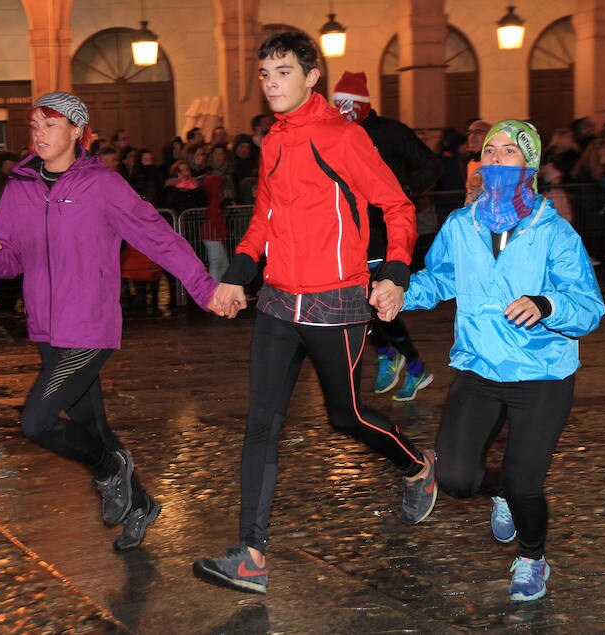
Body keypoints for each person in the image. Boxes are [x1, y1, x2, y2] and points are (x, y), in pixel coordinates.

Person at [192, 31, 436, 595]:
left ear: (311, 77)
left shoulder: (343, 137)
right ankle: (251, 554)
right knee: (261, 425)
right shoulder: (272, 142)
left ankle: (418, 465)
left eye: (281, 72)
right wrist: (236, 277)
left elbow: (396, 204)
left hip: (336, 304)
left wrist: (395, 273)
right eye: (264, 74)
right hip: (277, 303)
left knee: (345, 416)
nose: (270, 83)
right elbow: (262, 222)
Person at [0, 91, 223, 552]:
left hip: (90, 327)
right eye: (34, 126)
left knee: (37, 422)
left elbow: (159, 239)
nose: (39, 134)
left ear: (77, 132)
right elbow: (10, 262)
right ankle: (141, 504)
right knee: (92, 431)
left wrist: (204, 289)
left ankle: (111, 471)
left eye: (50, 125)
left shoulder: (103, 185)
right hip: (47, 328)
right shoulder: (19, 187)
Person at [399, 120, 605, 602]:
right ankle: (500, 491)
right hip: (479, 367)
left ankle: (532, 559)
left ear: (528, 165)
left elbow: (589, 306)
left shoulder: (553, 232)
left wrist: (547, 305)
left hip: (542, 374)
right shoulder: (460, 225)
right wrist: (398, 295)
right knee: (454, 477)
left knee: (525, 482)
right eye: (489, 150)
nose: (494, 158)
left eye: (508, 151)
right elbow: (439, 280)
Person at [333, 70, 441, 400]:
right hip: (350, 233)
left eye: (348, 104)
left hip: (382, 232)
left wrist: (404, 191)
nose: (343, 110)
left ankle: (413, 365)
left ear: (362, 104)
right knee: (355, 305)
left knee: (378, 303)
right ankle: (390, 355)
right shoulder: (336, 135)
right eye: (338, 104)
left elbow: (430, 164)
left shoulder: (389, 132)